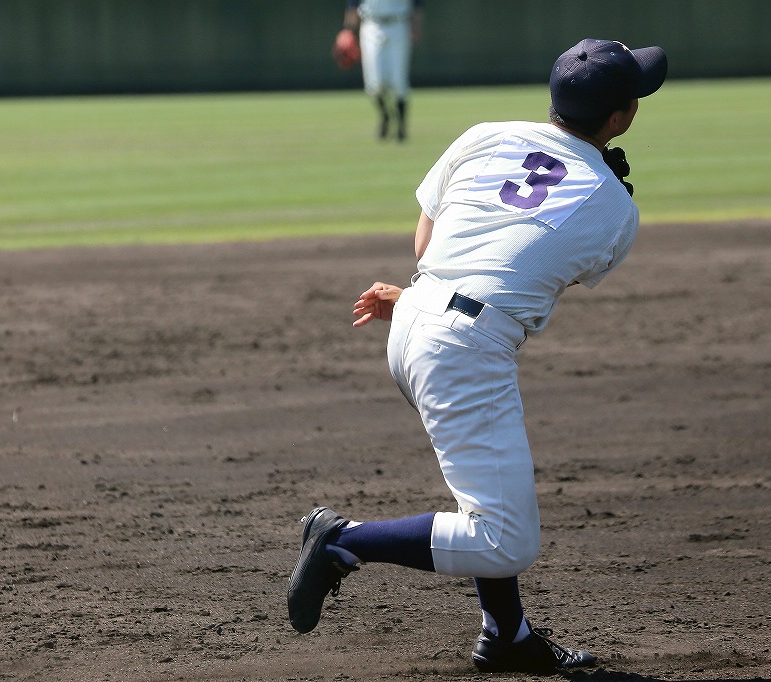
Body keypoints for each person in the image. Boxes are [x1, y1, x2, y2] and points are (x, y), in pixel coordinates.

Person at [288, 38, 668, 674]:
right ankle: (343, 543)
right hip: (464, 349)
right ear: (620, 116)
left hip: (410, 319)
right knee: (505, 540)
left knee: (485, 497)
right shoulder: (615, 208)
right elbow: (546, 270)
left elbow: (429, 233)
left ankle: (508, 635)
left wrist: (423, 299)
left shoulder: (486, 134)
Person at [341, 0, 422, 141]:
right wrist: (348, 30)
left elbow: (416, 4)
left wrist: (416, 25)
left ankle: (401, 126)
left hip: (399, 24)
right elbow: (353, 4)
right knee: (374, 84)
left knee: (398, 82)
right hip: (371, 25)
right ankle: (385, 115)